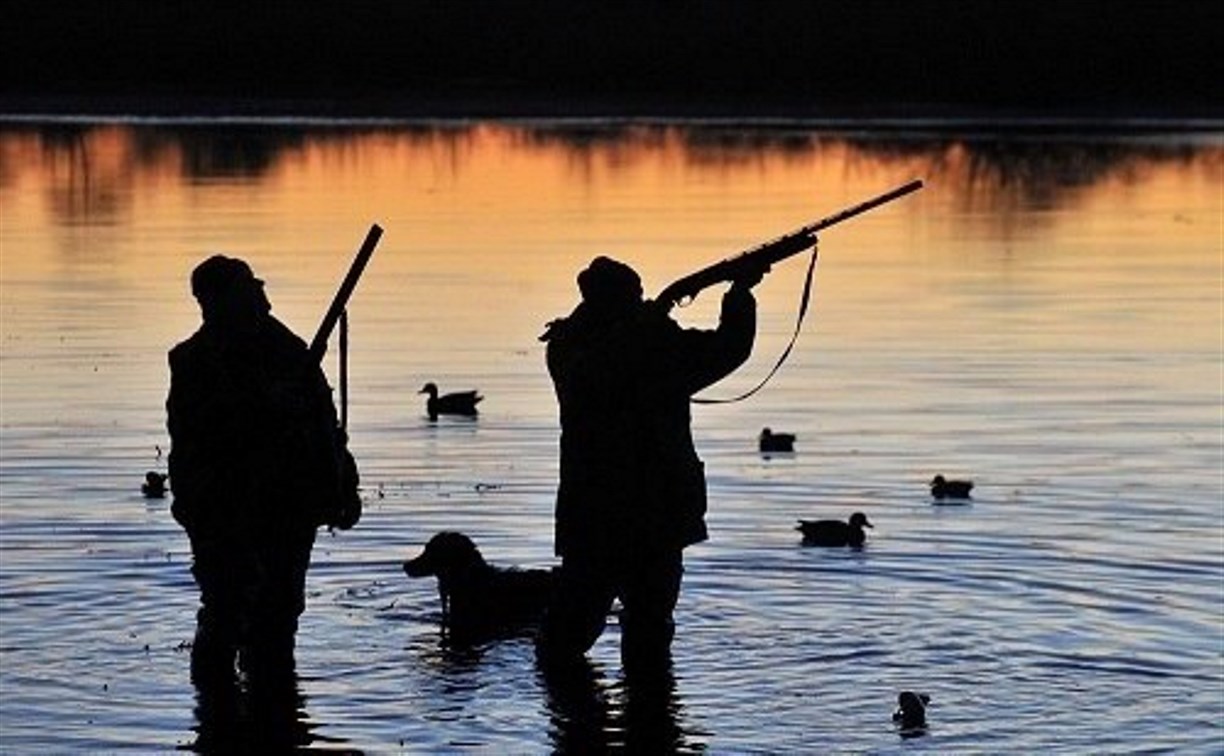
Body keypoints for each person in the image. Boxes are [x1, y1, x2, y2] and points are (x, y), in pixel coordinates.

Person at [536, 255, 761, 675]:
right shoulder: (601, 346)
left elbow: (720, 350)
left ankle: (575, 720)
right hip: (642, 513)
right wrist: (736, 297)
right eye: (635, 299)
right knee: (600, 632)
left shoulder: (577, 343)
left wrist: (738, 292)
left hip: (605, 512)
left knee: (610, 632)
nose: (642, 304)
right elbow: (724, 350)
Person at [167, 254, 360, 686]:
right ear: (218, 302)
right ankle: (215, 721)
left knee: (278, 619)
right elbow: (202, 436)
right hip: (223, 511)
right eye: (248, 288)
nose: (261, 295)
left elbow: (327, 428)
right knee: (225, 613)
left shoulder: (289, 352)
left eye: (257, 286)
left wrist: (344, 485)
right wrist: (268, 407)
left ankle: (274, 717)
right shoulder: (194, 363)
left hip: (288, 509)